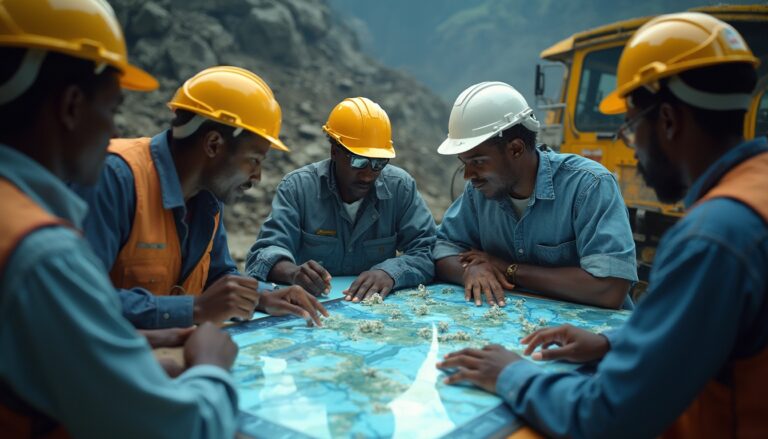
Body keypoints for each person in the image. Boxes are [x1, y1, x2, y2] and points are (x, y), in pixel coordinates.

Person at [438, 12, 768, 438]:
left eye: (631, 128)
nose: (633, 147)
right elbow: (700, 336)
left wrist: (511, 374)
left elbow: (608, 415)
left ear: (667, 121)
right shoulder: (752, 194)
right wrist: (613, 342)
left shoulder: (714, 237)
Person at [0, 0, 242, 437]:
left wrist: (125, 341)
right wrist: (211, 367)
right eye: (112, 108)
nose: (114, 132)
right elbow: (181, 428)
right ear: (72, 106)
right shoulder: (41, 253)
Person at [73, 66, 328, 328]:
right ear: (213, 145)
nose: (257, 177)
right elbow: (81, 299)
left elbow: (218, 275)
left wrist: (263, 296)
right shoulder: (114, 178)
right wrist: (194, 308)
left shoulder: (208, 194)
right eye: (253, 160)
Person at [433, 81, 637, 309]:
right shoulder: (478, 192)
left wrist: (509, 269)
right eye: (464, 163)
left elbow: (609, 288)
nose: (468, 175)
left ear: (516, 149)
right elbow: (442, 248)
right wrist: (471, 269)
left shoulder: (590, 186)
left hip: (588, 335)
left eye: (478, 162)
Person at [246, 97, 436, 301]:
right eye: (359, 161)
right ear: (334, 151)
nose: (368, 174)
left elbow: (427, 250)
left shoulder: (400, 188)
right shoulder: (298, 188)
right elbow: (263, 255)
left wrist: (390, 273)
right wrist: (293, 273)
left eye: (379, 163)